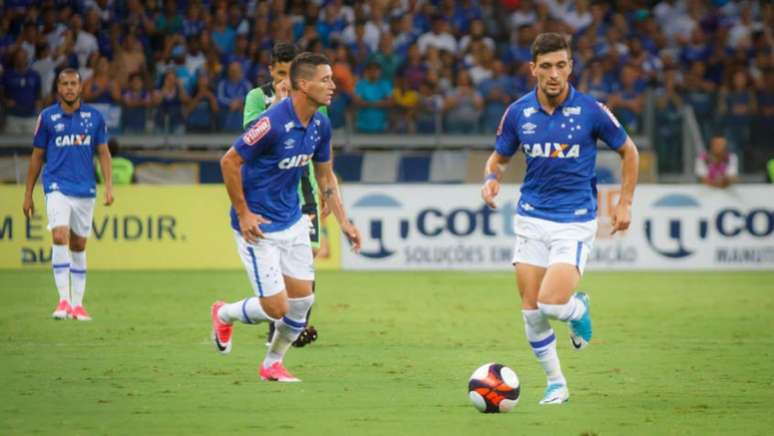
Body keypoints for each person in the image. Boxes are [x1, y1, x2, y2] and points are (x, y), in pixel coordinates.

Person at [480, 33, 639, 405]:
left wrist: (626, 203)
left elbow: (628, 152)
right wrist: (490, 179)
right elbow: (499, 159)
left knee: (553, 305)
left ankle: (577, 308)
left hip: (574, 220)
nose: (554, 74)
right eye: (546, 66)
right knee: (532, 311)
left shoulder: (591, 111)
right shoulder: (518, 112)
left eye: (561, 65)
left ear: (571, 67)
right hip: (531, 218)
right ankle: (557, 384)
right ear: (533, 68)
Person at [212, 52, 361, 382]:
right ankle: (223, 313)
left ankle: (272, 364)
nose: (333, 86)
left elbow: (325, 176)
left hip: (293, 220)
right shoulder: (271, 123)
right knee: (277, 308)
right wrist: (244, 212)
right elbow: (229, 162)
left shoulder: (320, 123)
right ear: (303, 84)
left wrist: (345, 222)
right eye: (325, 80)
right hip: (258, 226)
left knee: (302, 303)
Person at [243, 42, 328, 348]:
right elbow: (249, 136)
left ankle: (296, 322)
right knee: (276, 261)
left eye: (290, 73)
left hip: (303, 187)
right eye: (280, 73)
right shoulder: (257, 96)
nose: (284, 80)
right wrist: (278, 105)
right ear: (271, 71)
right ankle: (278, 326)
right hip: (269, 192)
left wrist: (328, 189)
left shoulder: (313, 95)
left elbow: (319, 142)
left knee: (309, 254)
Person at [22, 68, 114, 321]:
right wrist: (28, 193)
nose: (70, 88)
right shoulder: (48, 117)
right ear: (58, 88)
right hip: (56, 187)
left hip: (85, 190)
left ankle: (78, 304)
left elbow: (104, 153)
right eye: (65, 84)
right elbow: (37, 156)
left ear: (81, 87)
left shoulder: (94, 118)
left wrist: (108, 185)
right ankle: (62, 301)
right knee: (60, 235)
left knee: (79, 244)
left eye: (74, 83)